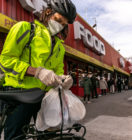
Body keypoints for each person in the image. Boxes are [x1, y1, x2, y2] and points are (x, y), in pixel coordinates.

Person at [0, 0, 77, 139]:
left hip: (44, 98)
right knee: (15, 137)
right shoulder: (24, 28)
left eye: (64, 24)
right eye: (58, 20)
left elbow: (57, 71)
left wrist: (63, 79)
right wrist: (36, 72)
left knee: (48, 136)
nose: (59, 26)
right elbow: (5, 61)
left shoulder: (59, 47)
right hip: (18, 95)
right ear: (48, 12)